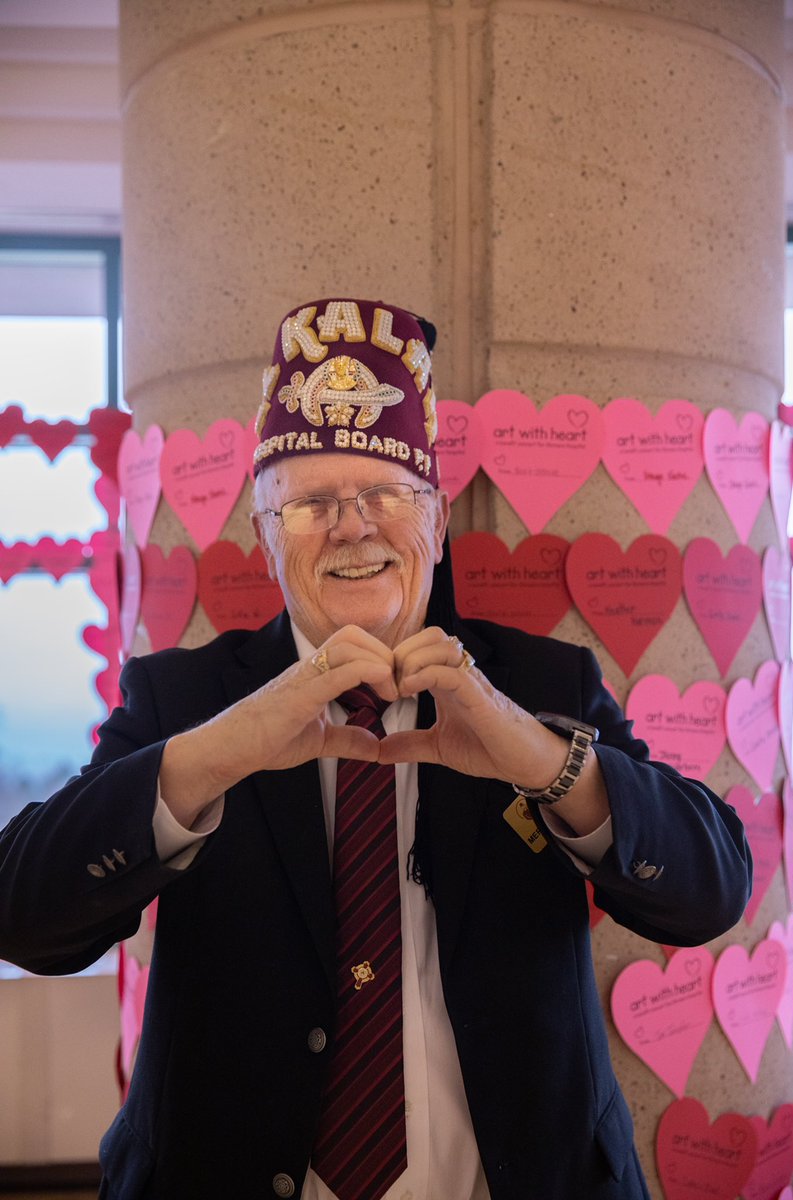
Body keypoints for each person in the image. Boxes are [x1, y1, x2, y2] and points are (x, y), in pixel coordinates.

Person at [0, 298, 751, 1200]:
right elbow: (26, 917)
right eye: (311, 503)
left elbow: (712, 893)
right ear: (263, 539)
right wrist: (214, 759)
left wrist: (540, 761)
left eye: (386, 494)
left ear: (434, 519)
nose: (354, 526)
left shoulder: (544, 685)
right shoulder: (184, 700)